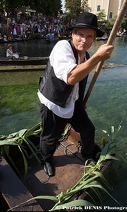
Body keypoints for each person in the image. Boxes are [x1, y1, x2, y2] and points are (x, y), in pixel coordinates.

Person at [38, 12, 114, 176]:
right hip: (54, 102)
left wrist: (80, 100)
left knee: (88, 130)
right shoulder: (62, 47)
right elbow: (71, 77)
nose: (84, 40)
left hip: (73, 102)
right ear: (72, 34)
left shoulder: (85, 55)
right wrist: (97, 57)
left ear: (94, 39)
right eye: (80, 35)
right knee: (50, 137)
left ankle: (87, 155)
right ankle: (46, 158)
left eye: (89, 36)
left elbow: (79, 81)